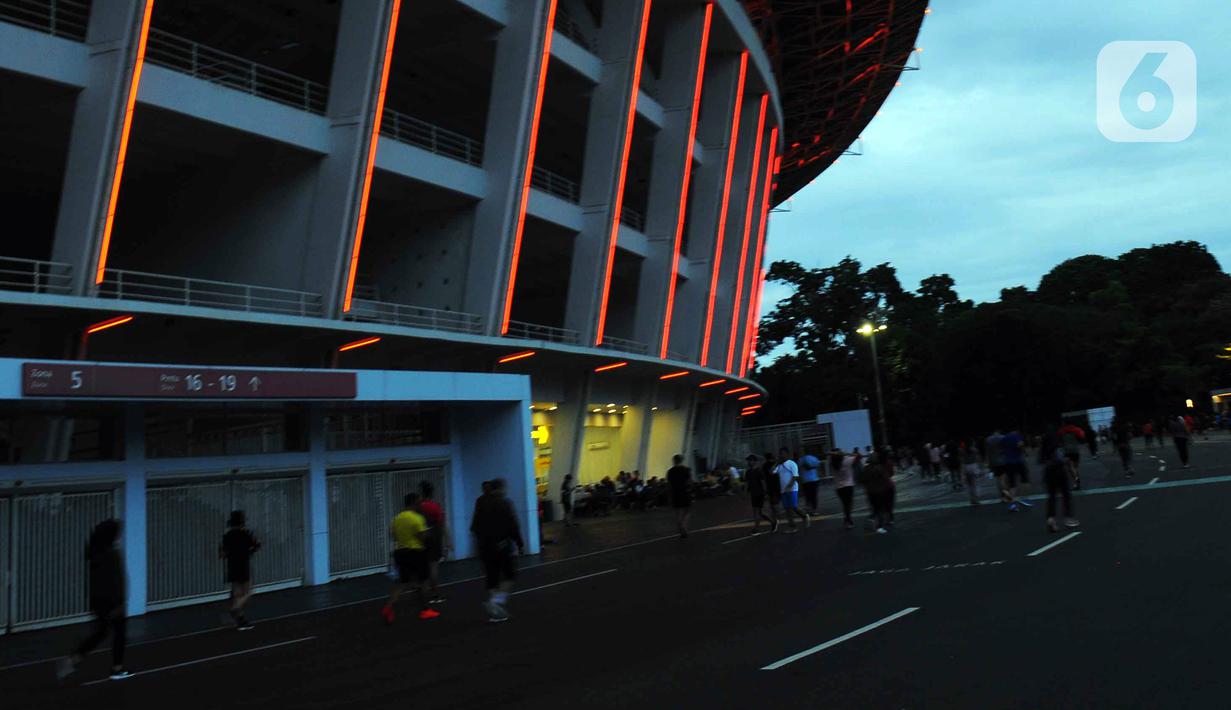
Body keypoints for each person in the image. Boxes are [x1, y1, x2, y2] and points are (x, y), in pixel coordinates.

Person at [58, 519, 131, 682]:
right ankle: (116, 668)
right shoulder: (111, 553)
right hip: (111, 601)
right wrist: (119, 602)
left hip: (99, 600)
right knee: (118, 633)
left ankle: (73, 660)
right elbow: (115, 579)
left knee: (101, 632)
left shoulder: (95, 552)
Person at [470, 478, 525, 622]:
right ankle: (495, 602)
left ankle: (495, 612)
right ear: (501, 488)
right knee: (510, 576)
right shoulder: (505, 503)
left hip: (485, 547)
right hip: (502, 545)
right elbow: (513, 525)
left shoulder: (481, 503)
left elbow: (474, 527)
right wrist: (520, 543)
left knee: (491, 579)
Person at [382, 493, 437, 625]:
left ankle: (389, 606)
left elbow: (393, 535)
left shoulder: (397, 518)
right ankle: (425, 610)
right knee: (424, 581)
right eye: (419, 503)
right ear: (413, 503)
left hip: (401, 552)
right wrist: (428, 535)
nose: (421, 505)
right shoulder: (417, 518)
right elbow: (421, 537)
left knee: (402, 582)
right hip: (416, 552)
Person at [219, 510, 261, 630]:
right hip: (243, 564)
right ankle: (234, 609)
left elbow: (222, 553)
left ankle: (241, 620)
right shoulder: (245, 533)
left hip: (231, 565)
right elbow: (256, 545)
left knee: (237, 593)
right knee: (247, 592)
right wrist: (249, 552)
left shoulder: (227, 535)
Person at [1040, 431, 1079, 532]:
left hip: (1048, 472)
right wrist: (1066, 461)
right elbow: (1060, 459)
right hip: (1059, 472)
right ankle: (1068, 517)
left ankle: (1051, 518)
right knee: (1066, 494)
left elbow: (1041, 460)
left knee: (1052, 496)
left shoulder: (1044, 449)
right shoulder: (1056, 448)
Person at [418, 481, 449, 605]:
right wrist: (447, 541)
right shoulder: (435, 506)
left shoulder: (418, 507)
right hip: (434, 540)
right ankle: (435, 594)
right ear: (432, 492)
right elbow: (442, 525)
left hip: (420, 540)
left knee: (422, 568)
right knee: (433, 567)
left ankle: (423, 594)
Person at [774, 447, 809, 531]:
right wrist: (776, 463)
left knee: (794, 506)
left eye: (782, 453)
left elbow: (795, 475)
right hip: (783, 490)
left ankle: (804, 515)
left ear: (786, 454)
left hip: (792, 489)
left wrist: (790, 484)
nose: (781, 455)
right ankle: (792, 526)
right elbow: (771, 471)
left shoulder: (792, 463)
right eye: (780, 453)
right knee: (787, 509)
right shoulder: (779, 465)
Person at [999, 428, 1033, 512]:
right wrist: (1025, 452)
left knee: (1012, 484)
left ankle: (1012, 505)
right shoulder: (1017, 436)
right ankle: (1024, 498)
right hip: (1019, 461)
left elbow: (1002, 450)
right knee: (1025, 480)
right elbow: (1020, 445)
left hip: (1008, 462)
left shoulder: (1004, 438)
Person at [859, 452, 893, 533]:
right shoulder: (880, 468)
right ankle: (879, 527)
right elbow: (886, 479)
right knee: (880, 509)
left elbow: (861, 480)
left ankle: (870, 520)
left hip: (870, 492)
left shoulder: (866, 468)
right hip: (880, 491)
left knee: (874, 508)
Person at [666, 454, 693, 538]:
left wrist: (669, 495)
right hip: (684, 492)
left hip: (675, 493)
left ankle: (679, 524)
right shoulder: (686, 470)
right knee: (687, 511)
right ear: (681, 460)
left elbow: (669, 484)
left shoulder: (670, 471)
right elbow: (690, 481)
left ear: (674, 461)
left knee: (677, 512)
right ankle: (683, 525)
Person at [1057, 420, 1085, 490]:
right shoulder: (1076, 429)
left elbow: (1058, 439)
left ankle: (1076, 481)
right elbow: (1082, 437)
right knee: (1074, 467)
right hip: (1075, 451)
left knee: (1071, 468)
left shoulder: (1062, 430)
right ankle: (1076, 480)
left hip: (1067, 451)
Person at [831, 449, 856, 528]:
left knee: (845, 504)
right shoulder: (847, 460)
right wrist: (847, 452)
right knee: (848, 504)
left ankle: (847, 520)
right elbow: (858, 455)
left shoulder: (832, 463)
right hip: (849, 485)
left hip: (839, 487)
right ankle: (848, 520)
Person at [985, 429, 1007, 502]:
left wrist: (989, 465)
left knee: (998, 480)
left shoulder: (988, 439)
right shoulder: (1003, 437)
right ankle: (1006, 495)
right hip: (1004, 461)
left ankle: (1002, 497)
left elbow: (988, 453)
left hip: (994, 462)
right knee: (1003, 479)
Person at [763, 452, 782, 524]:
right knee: (775, 501)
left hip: (770, 485)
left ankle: (775, 514)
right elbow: (773, 472)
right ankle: (776, 514)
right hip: (776, 484)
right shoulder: (774, 464)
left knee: (773, 501)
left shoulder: (765, 465)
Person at [962, 437, 982, 504]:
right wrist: (980, 467)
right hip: (973, 466)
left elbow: (962, 460)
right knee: (975, 484)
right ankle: (976, 499)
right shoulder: (974, 449)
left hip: (966, 466)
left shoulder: (963, 450)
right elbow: (978, 458)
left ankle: (971, 499)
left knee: (969, 484)